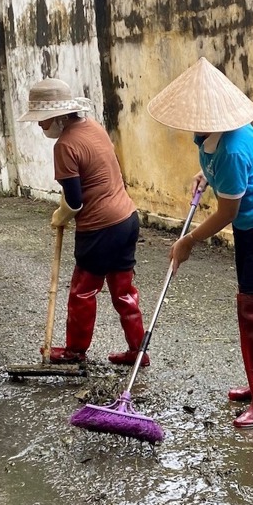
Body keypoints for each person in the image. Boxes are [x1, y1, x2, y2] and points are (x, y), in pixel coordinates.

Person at [146, 57, 253, 429]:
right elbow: (228, 175)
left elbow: (228, 211)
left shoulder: (231, 147)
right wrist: (205, 174)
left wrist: (189, 240)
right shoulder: (212, 139)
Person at [17, 78, 149, 367]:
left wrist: (59, 217)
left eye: (43, 119)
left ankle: (75, 351)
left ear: (60, 115)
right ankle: (138, 351)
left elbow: (75, 201)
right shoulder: (93, 127)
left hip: (100, 227)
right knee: (124, 290)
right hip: (126, 219)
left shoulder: (65, 145)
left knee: (82, 291)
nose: (40, 126)